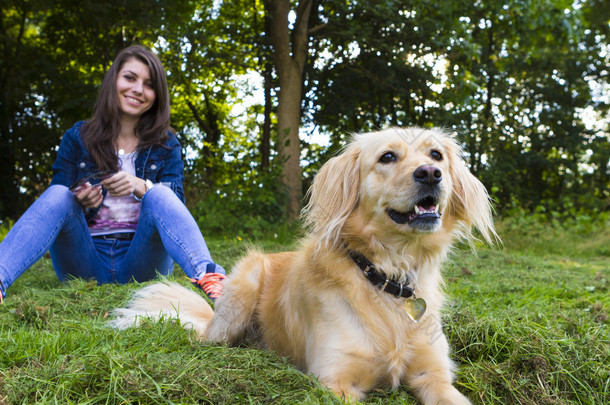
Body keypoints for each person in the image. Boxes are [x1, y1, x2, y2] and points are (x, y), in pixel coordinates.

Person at [0, 45, 225, 304]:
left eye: (149, 84)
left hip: (143, 263)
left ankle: (211, 279)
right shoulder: (77, 137)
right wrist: (80, 199)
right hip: (83, 261)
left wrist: (141, 186)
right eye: (130, 78)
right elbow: (54, 204)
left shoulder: (167, 144)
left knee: (159, 192)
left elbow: (175, 208)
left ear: (157, 95)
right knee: (59, 194)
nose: (138, 89)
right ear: (113, 80)